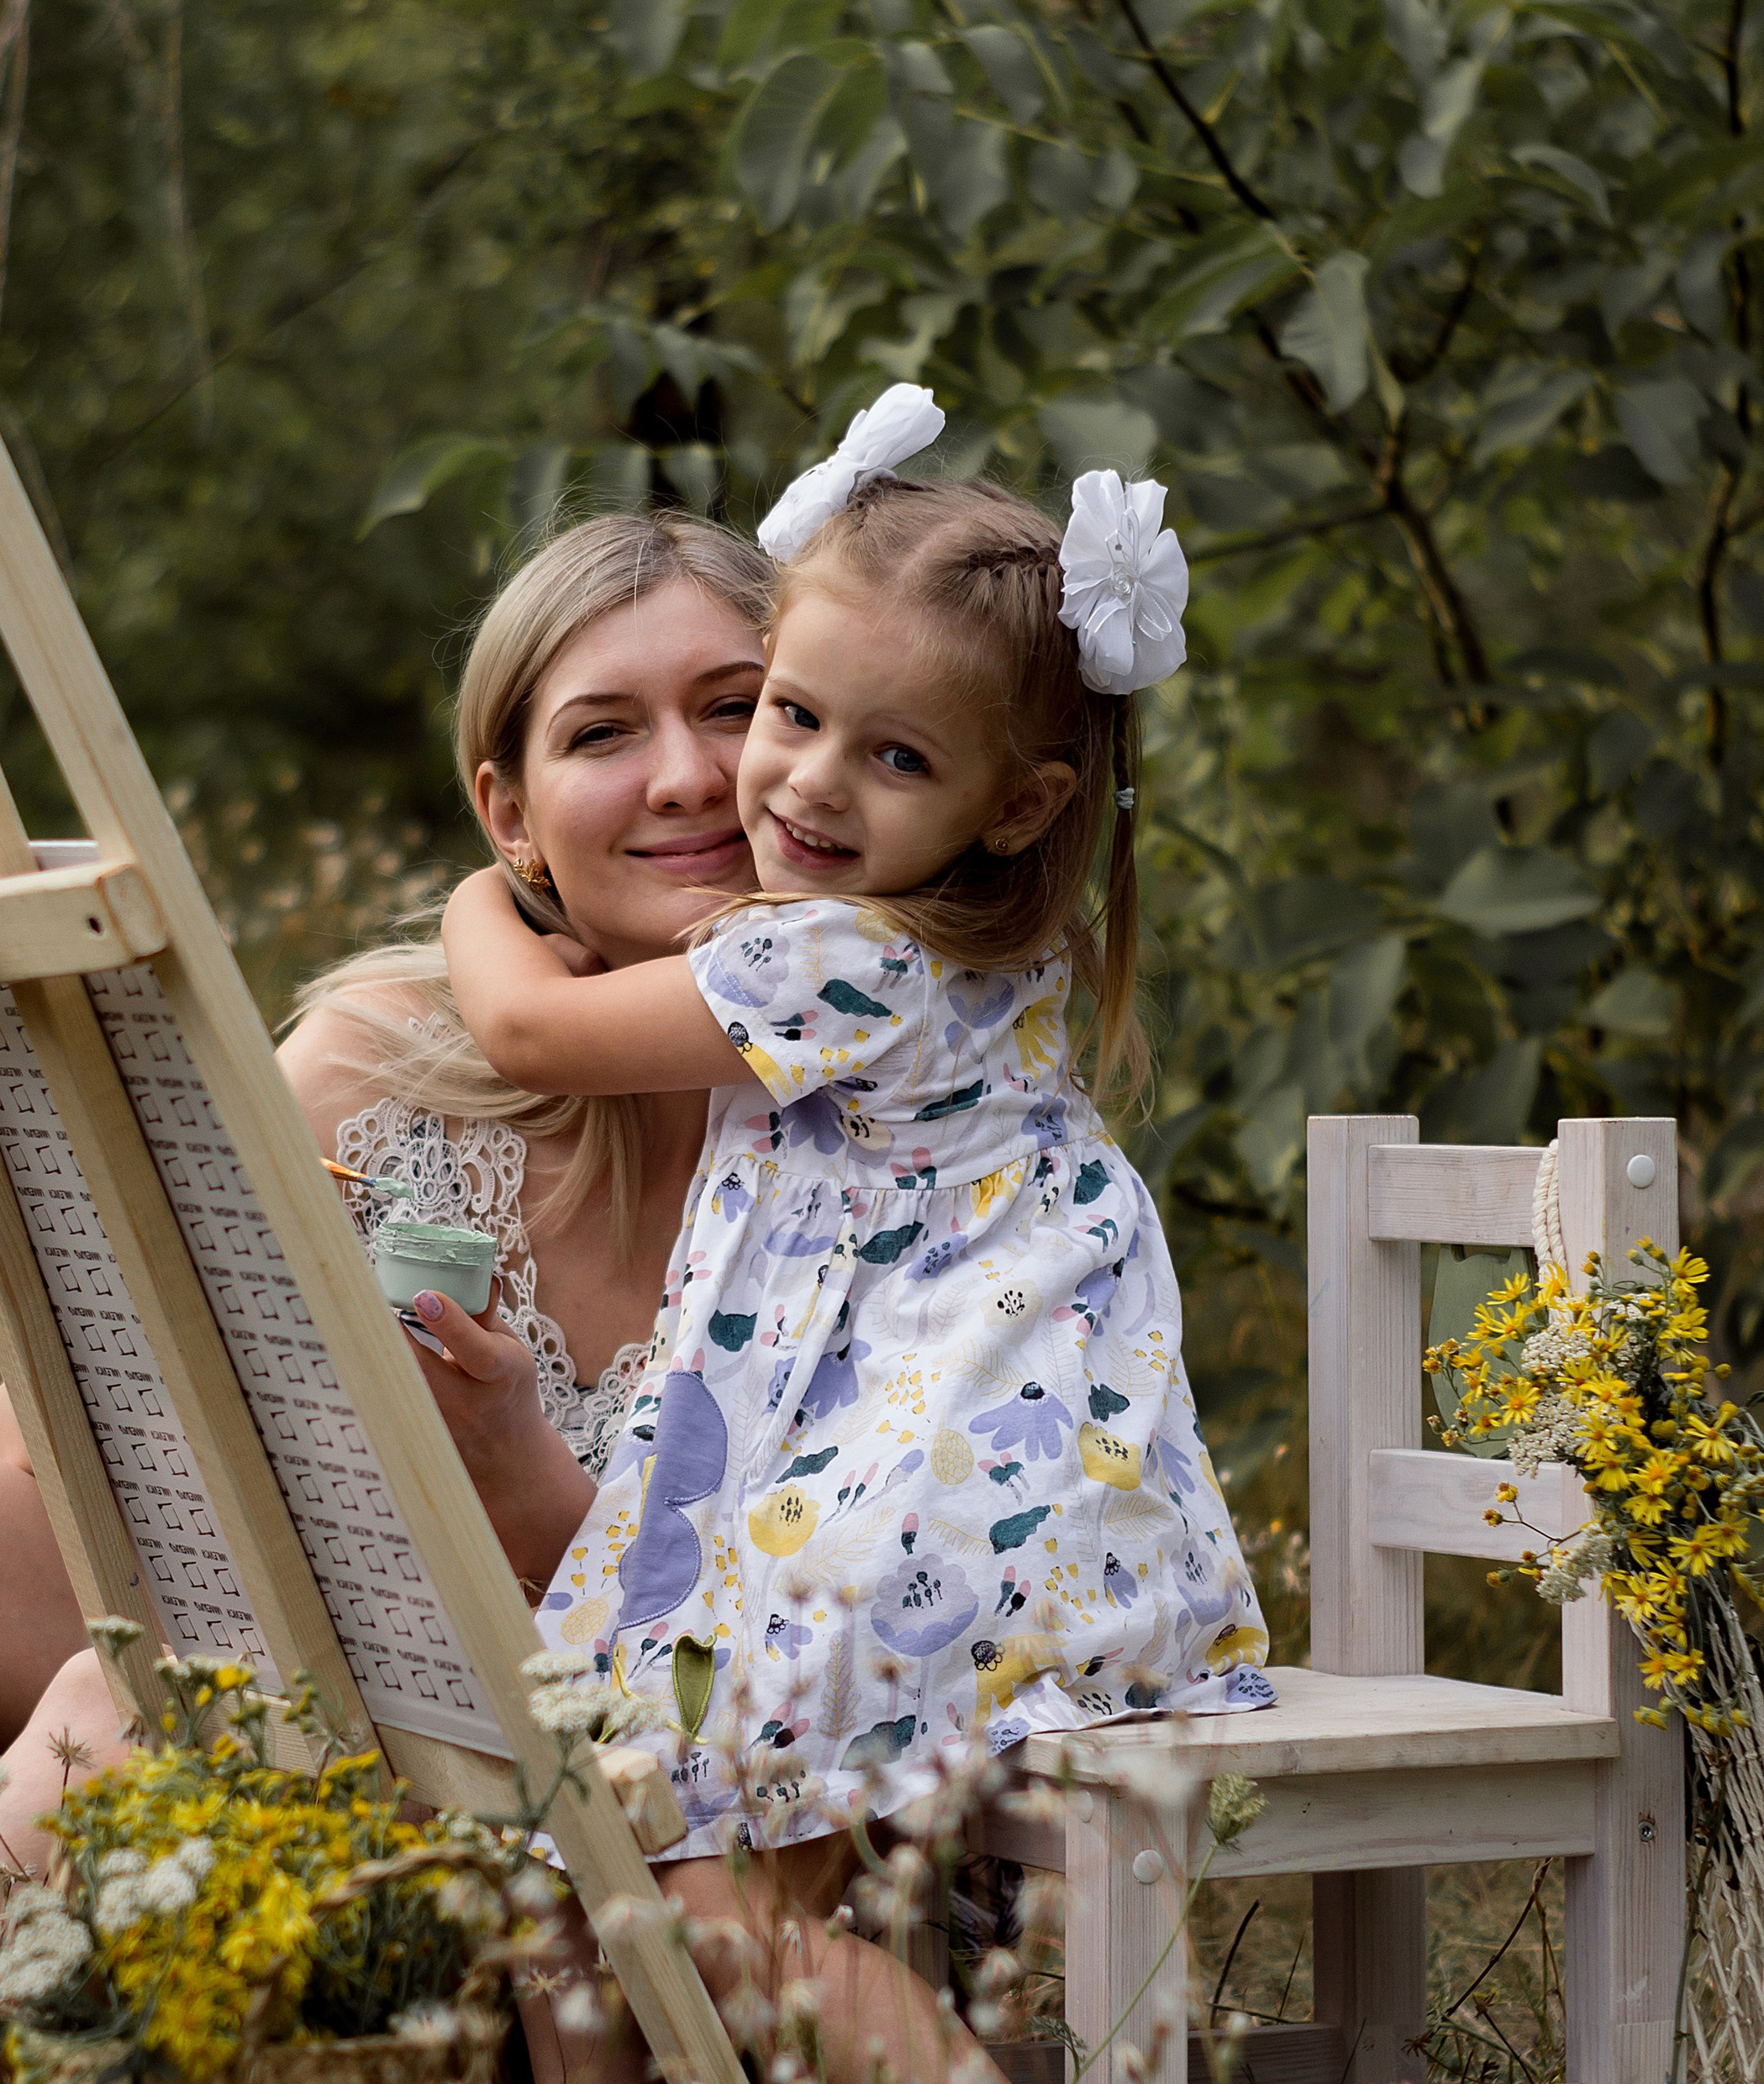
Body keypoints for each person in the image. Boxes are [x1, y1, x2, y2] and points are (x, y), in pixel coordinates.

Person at [0, 512, 945, 2084]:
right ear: (509, 820)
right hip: (358, 1735)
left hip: (641, 1846)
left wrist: (519, 1482)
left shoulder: (913, 1126)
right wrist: (215, 1342)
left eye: (736, 707)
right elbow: (25, 1461)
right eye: (604, 730)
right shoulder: (393, 1065)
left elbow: (829, 1666)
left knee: (159, 1717)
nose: (680, 773)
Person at [441, 392, 1273, 1892]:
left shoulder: (837, 961)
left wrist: (486, 899)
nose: (810, 782)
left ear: (1020, 805)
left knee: (704, 1899)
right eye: (796, 713)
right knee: (700, 1891)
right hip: (1037, 1515)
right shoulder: (986, 951)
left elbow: (528, 1035)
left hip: (914, 1532)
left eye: (896, 759)